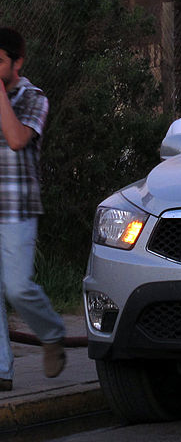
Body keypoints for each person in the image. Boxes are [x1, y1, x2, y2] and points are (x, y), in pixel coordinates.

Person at [0, 27, 66, 391]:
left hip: (18, 208)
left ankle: (52, 333)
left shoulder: (33, 98)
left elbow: (16, 139)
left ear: (18, 62)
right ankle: (1, 370)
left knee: (17, 287)